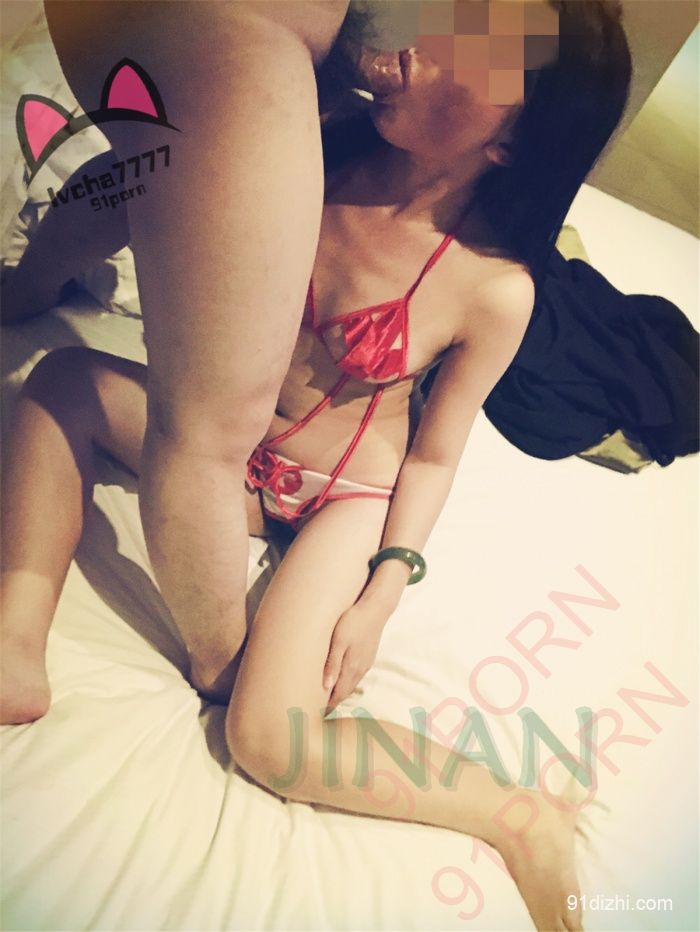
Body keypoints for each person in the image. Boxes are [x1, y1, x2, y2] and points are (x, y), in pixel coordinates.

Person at [1, 2, 631, 929]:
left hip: (344, 496)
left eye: (474, 56)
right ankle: (17, 634)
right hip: (228, 458)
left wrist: (385, 588)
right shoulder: (306, 145)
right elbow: (132, 185)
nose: (421, 46)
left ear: (509, 145)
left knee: (269, 738)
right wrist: (35, 278)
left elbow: (434, 453)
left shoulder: (497, 289)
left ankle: (517, 816)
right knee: (60, 384)